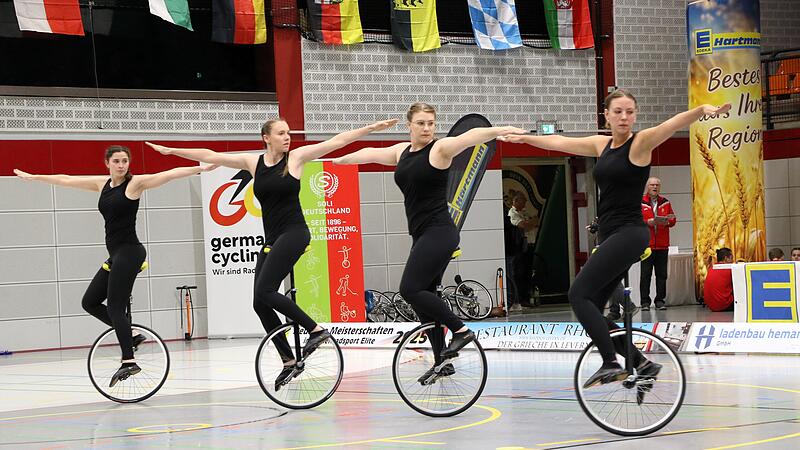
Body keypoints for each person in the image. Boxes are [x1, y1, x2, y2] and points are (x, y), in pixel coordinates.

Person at [501, 88, 730, 388]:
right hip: (610, 236)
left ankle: (611, 362)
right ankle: (640, 362)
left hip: (629, 233)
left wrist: (702, 110)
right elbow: (559, 141)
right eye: (618, 112)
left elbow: (671, 125)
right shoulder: (601, 144)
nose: (624, 117)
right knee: (590, 309)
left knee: (577, 295)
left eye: (630, 112)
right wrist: (524, 137)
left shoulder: (641, 143)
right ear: (606, 116)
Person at [147, 117, 397, 389]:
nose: (287, 137)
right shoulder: (253, 163)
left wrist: (370, 129)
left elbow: (336, 141)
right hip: (272, 238)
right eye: (281, 133)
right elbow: (210, 155)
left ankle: (316, 330)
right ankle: (289, 360)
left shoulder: (296, 158)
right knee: (259, 302)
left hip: (295, 233)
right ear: (266, 137)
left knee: (266, 291)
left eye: (288, 132)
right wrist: (172, 151)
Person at [334, 102, 525, 380]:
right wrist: (339, 160)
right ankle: (442, 361)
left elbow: (470, 138)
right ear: (409, 124)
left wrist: (501, 130)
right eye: (421, 123)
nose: (426, 128)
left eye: (431, 123)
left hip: (440, 232)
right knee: (427, 298)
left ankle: (460, 330)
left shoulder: (440, 150)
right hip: (422, 234)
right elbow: (370, 153)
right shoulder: (402, 152)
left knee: (410, 289)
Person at [14, 146, 216, 387]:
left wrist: (200, 169)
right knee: (89, 302)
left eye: (125, 161)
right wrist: (35, 177)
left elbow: (168, 174)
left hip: (130, 253)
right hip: (116, 255)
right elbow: (66, 179)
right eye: (117, 161)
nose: (122, 165)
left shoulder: (135, 184)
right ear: (107, 163)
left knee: (116, 307)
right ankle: (131, 335)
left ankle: (128, 360)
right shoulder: (102, 185)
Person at [640, 177, 676, 311]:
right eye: (652, 185)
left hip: (662, 245)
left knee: (661, 275)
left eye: (657, 185)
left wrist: (668, 221)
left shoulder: (665, 202)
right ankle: (644, 302)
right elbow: (635, 220)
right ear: (647, 187)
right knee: (645, 274)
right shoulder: (641, 203)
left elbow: (673, 219)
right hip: (646, 245)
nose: (654, 187)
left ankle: (660, 301)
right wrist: (647, 222)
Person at [508, 192, 539, 307]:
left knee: (528, 272)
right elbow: (522, 226)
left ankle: (526, 296)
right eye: (523, 201)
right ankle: (519, 298)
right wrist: (529, 224)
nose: (525, 203)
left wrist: (529, 223)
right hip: (521, 247)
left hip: (530, 244)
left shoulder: (525, 212)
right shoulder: (512, 213)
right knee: (520, 272)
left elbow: (536, 221)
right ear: (516, 201)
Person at [703, 247, 734, 312]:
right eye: (731, 258)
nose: (733, 261)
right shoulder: (729, 269)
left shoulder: (711, 268)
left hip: (711, 306)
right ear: (726, 258)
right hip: (723, 305)